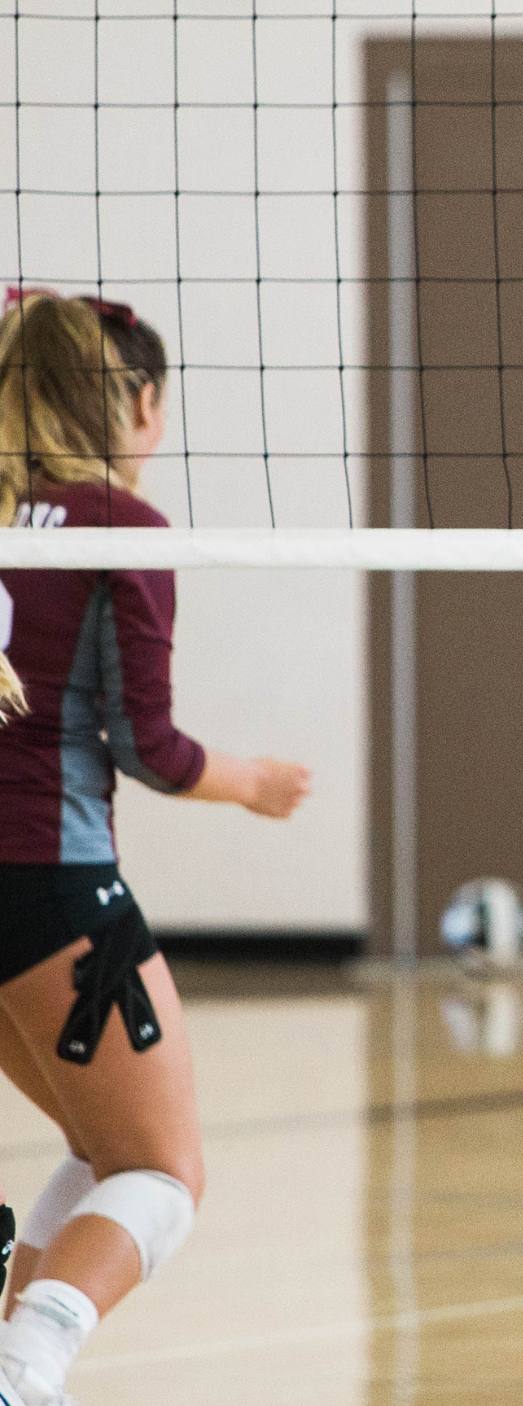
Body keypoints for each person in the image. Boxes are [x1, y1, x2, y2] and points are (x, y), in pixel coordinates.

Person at [0, 290, 312, 1406]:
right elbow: (152, 744)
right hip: (49, 888)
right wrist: (253, 784)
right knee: (162, 1172)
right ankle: (25, 1367)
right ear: (137, 399)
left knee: (101, 1145)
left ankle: (12, 1352)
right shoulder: (118, 524)